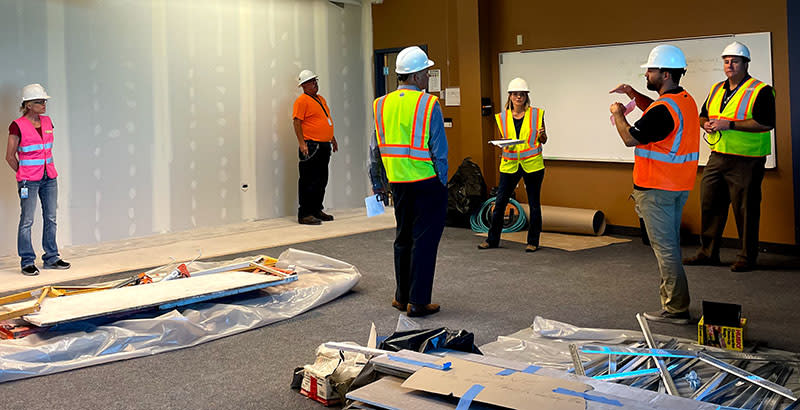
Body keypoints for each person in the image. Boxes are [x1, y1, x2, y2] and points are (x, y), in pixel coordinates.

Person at [609, 45, 699, 324]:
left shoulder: (664, 109)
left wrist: (618, 113)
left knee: (666, 250)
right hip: (676, 187)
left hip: (656, 189)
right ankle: (674, 303)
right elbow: (658, 115)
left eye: (651, 70)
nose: (647, 74)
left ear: (665, 74)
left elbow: (630, 138)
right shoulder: (683, 100)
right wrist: (634, 95)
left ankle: (676, 309)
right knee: (669, 246)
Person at [369, 46, 448, 318]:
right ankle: (419, 301)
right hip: (426, 182)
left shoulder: (380, 104)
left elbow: (374, 150)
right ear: (415, 77)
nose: (428, 77)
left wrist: (377, 182)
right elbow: (440, 151)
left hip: (397, 183)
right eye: (425, 72)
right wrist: (443, 184)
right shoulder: (428, 104)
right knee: (425, 241)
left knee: (403, 237)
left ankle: (401, 297)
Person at [683, 41, 776, 272]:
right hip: (718, 157)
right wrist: (707, 125)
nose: (729, 65)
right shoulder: (716, 89)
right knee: (709, 204)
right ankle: (708, 252)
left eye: (734, 61)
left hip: (747, 160)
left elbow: (765, 123)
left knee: (746, 209)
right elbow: (703, 116)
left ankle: (747, 256)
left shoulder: (761, 90)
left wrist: (729, 124)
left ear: (745, 63)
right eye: (726, 61)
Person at [5, 83, 71, 276]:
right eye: (39, 102)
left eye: (44, 101)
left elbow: (45, 150)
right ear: (27, 105)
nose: (44, 104)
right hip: (29, 181)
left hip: (49, 177)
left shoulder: (48, 122)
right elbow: (9, 156)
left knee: (51, 218)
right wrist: (23, 173)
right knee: (27, 221)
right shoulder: (17, 125)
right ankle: (27, 261)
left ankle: (51, 257)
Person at [478, 77, 548, 252]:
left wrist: (541, 135)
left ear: (526, 96)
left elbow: (544, 139)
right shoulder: (501, 117)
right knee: (500, 202)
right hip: (510, 164)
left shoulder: (536, 114)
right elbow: (505, 139)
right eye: (516, 94)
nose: (519, 97)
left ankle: (533, 242)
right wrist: (502, 143)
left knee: (534, 204)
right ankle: (492, 240)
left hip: (532, 164)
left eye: (522, 95)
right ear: (509, 96)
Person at [292, 69, 338, 225]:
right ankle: (304, 213)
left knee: (321, 179)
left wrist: (332, 138)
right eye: (311, 82)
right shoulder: (302, 101)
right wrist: (302, 143)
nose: (315, 84)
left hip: (324, 145)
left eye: (315, 81)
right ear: (303, 85)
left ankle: (316, 209)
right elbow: (297, 122)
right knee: (308, 180)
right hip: (311, 146)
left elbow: (325, 120)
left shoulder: (320, 99)